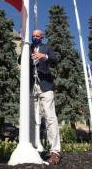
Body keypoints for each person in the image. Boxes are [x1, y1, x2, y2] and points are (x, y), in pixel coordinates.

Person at [30, 29, 61, 165]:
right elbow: (20, 60)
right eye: (33, 36)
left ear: (42, 37)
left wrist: (44, 56)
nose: (35, 37)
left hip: (45, 85)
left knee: (50, 117)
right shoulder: (28, 47)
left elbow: (55, 60)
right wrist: (25, 50)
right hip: (31, 87)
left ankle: (55, 151)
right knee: (32, 118)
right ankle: (33, 148)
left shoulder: (46, 47)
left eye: (38, 36)